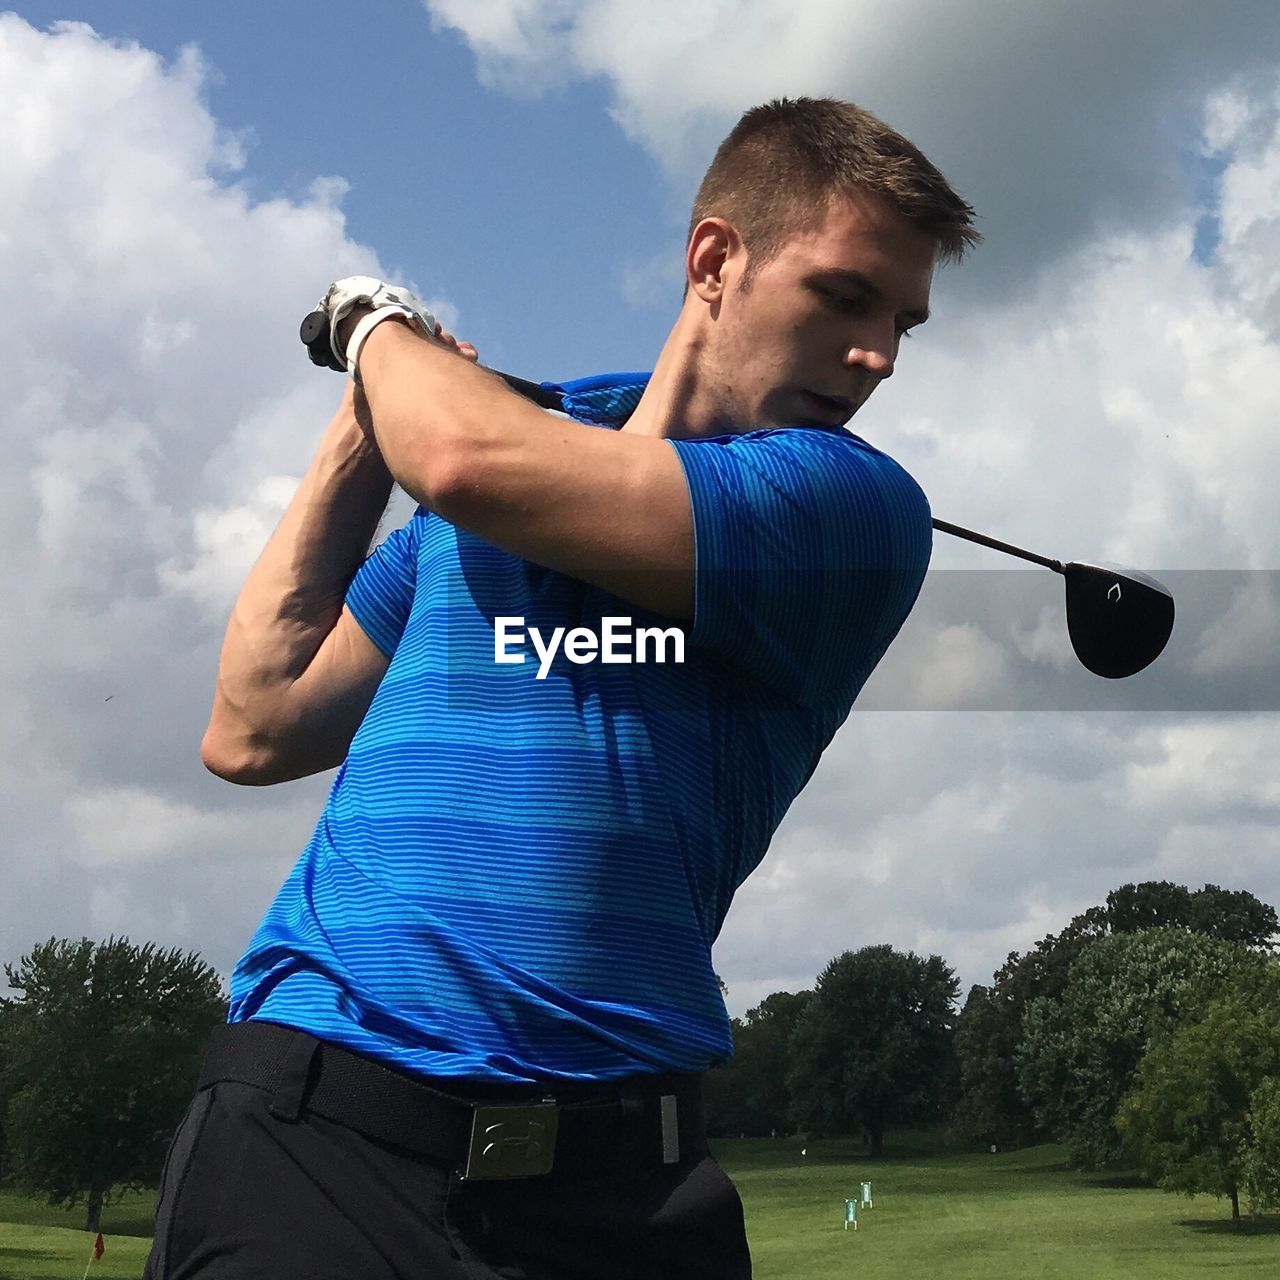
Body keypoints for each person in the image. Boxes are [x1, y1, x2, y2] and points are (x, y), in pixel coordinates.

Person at [145, 96, 978, 1279]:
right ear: (713, 260)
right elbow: (254, 721)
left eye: (902, 323)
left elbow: (466, 454)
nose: (878, 355)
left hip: (620, 1199)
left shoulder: (847, 507)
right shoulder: (469, 503)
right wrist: (360, 433)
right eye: (843, 297)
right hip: (315, 1141)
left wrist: (371, 328)